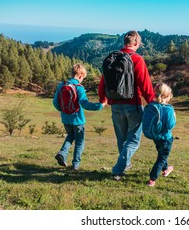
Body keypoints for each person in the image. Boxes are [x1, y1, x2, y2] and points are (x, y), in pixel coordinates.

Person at [98, 30, 155, 180]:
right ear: (136, 43)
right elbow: (145, 85)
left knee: (121, 138)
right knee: (134, 140)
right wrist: (154, 104)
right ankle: (118, 169)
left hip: (115, 105)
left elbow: (103, 82)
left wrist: (102, 98)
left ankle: (125, 164)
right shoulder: (137, 59)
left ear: (124, 42)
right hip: (133, 104)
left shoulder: (112, 58)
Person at [53, 63, 105, 170]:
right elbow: (85, 104)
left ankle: (62, 153)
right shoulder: (79, 87)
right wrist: (100, 105)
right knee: (80, 141)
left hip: (65, 118)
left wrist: (62, 110)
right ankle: (75, 165)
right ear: (81, 76)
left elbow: (55, 102)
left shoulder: (62, 85)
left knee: (70, 136)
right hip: (77, 119)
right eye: (83, 78)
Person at [145, 83, 176, 187]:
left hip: (155, 137)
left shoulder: (150, 106)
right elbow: (170, 126)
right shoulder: (169, 109)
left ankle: (166, 168)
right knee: (161, 157)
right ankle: (152, 179)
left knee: (161, 153)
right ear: (167, 96)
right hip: (166, 138)